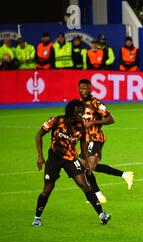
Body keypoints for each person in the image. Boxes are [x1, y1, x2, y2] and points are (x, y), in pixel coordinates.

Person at [32, 99, 111, 227]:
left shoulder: (82, 125)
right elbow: (38, 135)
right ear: (70, 112)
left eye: (81, 113)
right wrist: (40, 156)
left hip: (71, 158)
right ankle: (37, 217)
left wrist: (85, 160)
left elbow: (83, 143)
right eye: (78, 113)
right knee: (48, 189)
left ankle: (102, 214)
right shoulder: (56, 121)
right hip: (54, 158)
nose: (80, 115)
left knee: (84, 184)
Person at [78, 79, 134, 203]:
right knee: (84, 167)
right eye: (82, 89)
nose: (84, 91)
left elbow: (111, 119)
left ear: (90, 89)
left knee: (90, 166)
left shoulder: (96, 103)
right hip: (85, 139)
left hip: (96, 137)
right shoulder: (79, 105)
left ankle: (98, 195)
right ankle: (123, 176)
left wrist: (94, 122)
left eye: (86, 88)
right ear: (79, 90)